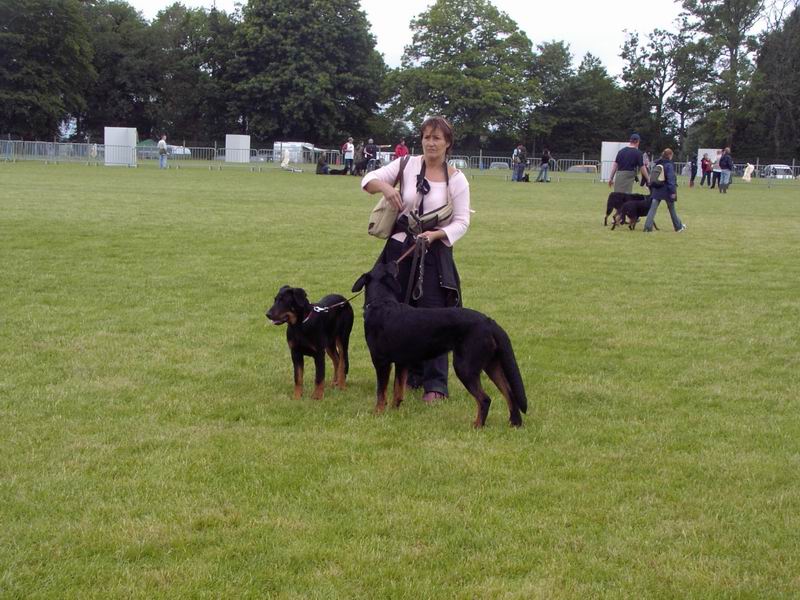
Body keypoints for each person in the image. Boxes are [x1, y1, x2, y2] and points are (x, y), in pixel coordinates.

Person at [361, 116, 471, 404]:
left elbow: (462, 221)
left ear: (448, 143)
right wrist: (387, 188)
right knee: (396, 311)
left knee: (434, 313)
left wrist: (437, 235)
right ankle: (407, 374)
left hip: (434, 252)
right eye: (426, 136)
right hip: (400, 250)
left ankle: (435, 383)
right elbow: (367, 180)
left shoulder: (457, 178)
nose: (431, 142)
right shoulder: (406, 164)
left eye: (437, 138)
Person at [643, 148, 686, 233]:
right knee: (671, 209)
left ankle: (647, 227)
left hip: (657, 189)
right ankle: (678, 227)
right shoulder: (669, 165)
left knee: (652, 209)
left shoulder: (657, 163)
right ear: (670, 155)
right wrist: (673, 192)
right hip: (667, 190)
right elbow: (671, 180)